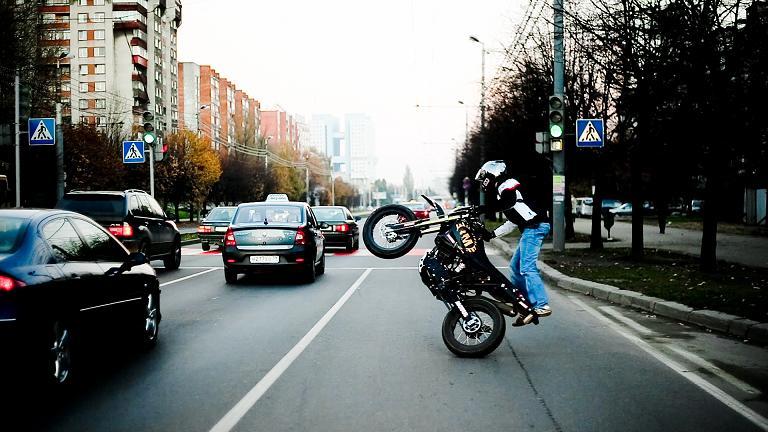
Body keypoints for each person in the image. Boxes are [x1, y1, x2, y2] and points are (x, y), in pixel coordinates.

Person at [475, 160, 552, 325]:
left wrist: (484, 209)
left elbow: (507, 202)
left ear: (492, 173)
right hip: (530, 228)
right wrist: (491, 235)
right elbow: (512, 221)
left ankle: (542, 305)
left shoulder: (508, 183)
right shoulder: (502, 192)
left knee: (527, 267)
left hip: (535, 227)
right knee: (515, 268)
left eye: (483, 178)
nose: (482, 182)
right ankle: (526, 305)